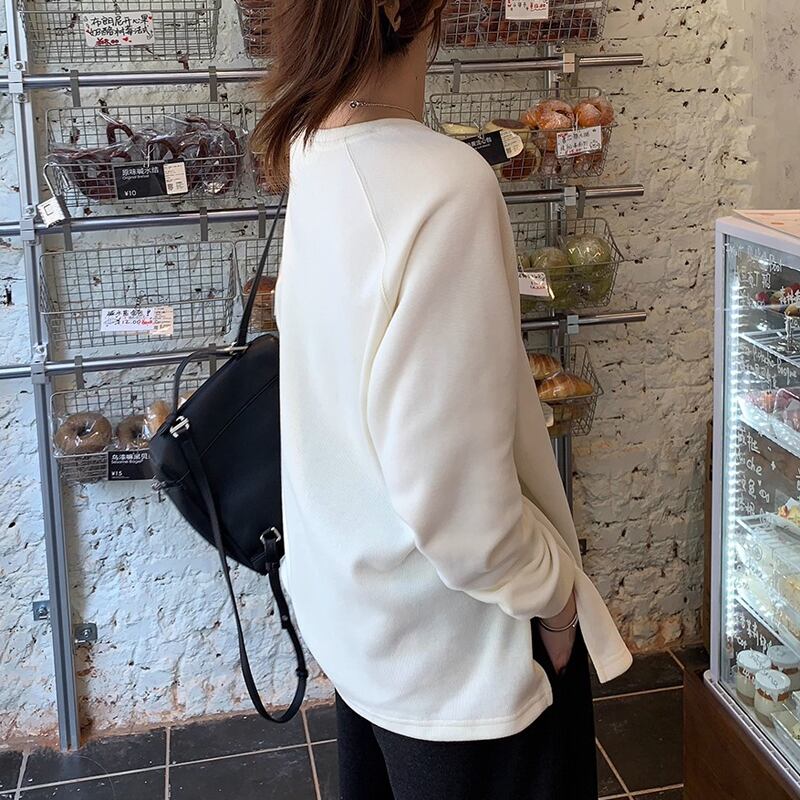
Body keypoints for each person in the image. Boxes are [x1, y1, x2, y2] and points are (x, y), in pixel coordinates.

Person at [252, 1, 632, 797]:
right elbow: (457, 501)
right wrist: (555, 600)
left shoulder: (314, 149)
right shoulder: (444, 184)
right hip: (465, 659)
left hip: (365, 627)